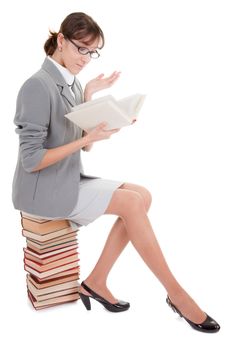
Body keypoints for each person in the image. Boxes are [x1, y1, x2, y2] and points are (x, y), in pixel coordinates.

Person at [12, 12, 220, 332]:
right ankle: (177, 295)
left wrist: (91, 105)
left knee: (143, 195)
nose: (86, 58)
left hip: (65, 178)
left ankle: (96, 282)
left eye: (92, 52)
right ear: (61, 41)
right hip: (42, 188)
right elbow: (31, 160)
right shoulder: (36, 86)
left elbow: (84, 148)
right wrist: (86, 136)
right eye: (81, 48)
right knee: (132, 203)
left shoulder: (72, 83)